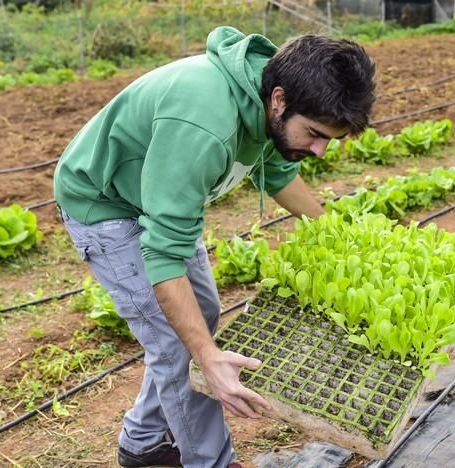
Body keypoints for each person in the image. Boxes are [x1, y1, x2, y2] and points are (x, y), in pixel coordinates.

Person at [53, 26, 375, 468]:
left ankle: (144, 442)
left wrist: (337, 236)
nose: (320, 150)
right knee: (182, 345)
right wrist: (207, 358)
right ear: (279, 100)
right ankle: (210, 462)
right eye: (315, 133)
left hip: (158, 196)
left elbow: (277, 173)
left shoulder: (267, 99)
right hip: (105, 203)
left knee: (199, 318)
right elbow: (163, 258)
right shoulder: (204, 124)